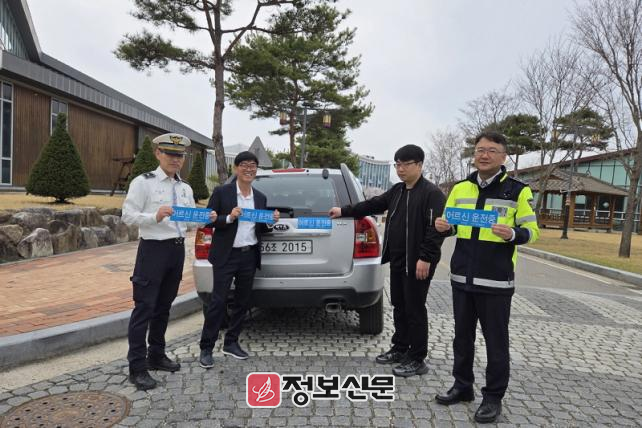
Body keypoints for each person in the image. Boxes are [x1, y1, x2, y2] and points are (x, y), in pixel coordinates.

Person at [434, 131, 539, 423]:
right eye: (480, 149)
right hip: (462, 279)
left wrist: (513, 234)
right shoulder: (459, 189)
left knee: (496, 342)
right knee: (461, 338)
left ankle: (493, 398)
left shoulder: (518, 191)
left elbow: (533, 231)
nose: (484, 155)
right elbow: (455, 225)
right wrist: (445, 227)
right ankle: (462, 386)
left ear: (504, 156)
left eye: (492, 150)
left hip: (496, 281)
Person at [329, 144, 446, 377]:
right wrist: (344, 211)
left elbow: (436, 230)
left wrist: (426, 258)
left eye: (406, 164)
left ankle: (417, 358)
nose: (400, 169)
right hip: (398, 259)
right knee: (400, 306)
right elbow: (373, 204)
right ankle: (400, 348)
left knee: (415, 309)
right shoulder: (398, 191)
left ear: (419, 165)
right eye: (397, 164)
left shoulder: (432, 193)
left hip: (418, 262)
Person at [122, 133, 217, 390]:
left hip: (176, 251)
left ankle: (156, 354)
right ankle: (137, 367)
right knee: (144, 308)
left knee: (163, 307)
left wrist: (206, 218)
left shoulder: (185, 188)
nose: (176, 160)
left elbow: (188, 222)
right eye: (170, 154)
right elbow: (127, 216)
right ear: (158, 154)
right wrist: (154, 216)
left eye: (180, 155)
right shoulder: (143, 182)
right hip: (152, 251)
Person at [199, 151, 279, 368]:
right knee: (218, 302)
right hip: (226, 255)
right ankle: (206, 348)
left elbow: (261, 227)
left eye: (253, 165)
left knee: (242, 302)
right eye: (244, 165)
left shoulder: (260, 197)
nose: (249, 169)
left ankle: (231, 342)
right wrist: (229, 217)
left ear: (256, 170)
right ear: (236, 168)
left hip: (249, 255)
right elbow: (208, 220)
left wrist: (270, 221)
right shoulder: (222, 192)